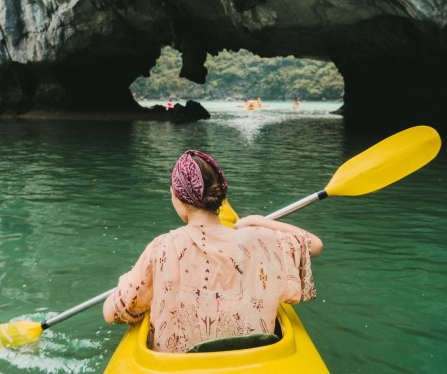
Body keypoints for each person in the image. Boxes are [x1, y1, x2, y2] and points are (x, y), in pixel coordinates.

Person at [103, 150, 323, 353]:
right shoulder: (260, 238)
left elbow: (112, 313)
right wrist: (260, 222)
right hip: (253, 360)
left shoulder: (161, 247)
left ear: (178, 197)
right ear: (220, 196)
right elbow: (314, 245)